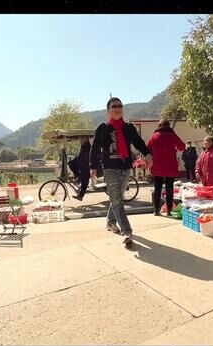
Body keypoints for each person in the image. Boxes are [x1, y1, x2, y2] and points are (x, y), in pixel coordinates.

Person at [90, 97, 152, 249]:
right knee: (117, 199)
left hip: (125, 167)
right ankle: (127, 232)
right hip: (110, 167)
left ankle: (110, 222)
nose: (117, 108)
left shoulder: (129, 128)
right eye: (114, 106)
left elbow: (138, 142)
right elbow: (95, 148)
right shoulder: (103, 128)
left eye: (119, 106)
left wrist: (148, 154)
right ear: (108, 110)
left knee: (117, 197)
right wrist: (93, 166)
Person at [147, 119, 185, 216]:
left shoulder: (154, 136)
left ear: (159, 126)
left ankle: (156, 210)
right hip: (170, 166)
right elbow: (182, 146)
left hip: (157, 166)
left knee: (157, 187)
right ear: (168, 125)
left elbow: (147, 149)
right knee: (169, 188)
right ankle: (169, 210)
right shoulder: (172, 135)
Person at [68, 136, 92, 201]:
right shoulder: (84, 147)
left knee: (84, 180)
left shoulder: (87, 148)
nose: (80, 140)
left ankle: (80, 196)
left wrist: (74, 161)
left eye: (82, 139)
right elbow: (79, 157)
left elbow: (83, 158)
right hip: (83, 165)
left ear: (86, 139)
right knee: (72, 164)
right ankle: (78, 177)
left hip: (87, 166)